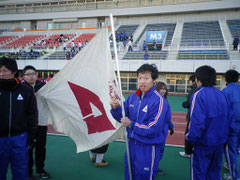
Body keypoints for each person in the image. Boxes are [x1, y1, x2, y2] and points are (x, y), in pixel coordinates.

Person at [110, 64, 171, 180]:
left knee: (143, 177)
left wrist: (131, 124)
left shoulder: (159, 101)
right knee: (129, 175)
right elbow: (122, 117)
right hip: (131, 145)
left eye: (146, 78)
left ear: (154, 80)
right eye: (140, 78)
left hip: (148, 147)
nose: (142, 81)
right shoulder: (133, 97)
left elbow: (153, 128)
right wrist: (115, 108)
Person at [186, 65, 233, 180]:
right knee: (214, 174)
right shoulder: (222, 95)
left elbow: (197, 123)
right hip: (219, 143)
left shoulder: (198, 95)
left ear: (197, 79)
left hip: (202, 144)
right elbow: (230, 120)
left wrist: (190, 142)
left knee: (199, 174)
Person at [0, 57, 37, 180]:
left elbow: (32, 114)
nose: (1, 74)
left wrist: (31, 137)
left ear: (14, 71)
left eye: (5, 71)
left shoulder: (26, 90)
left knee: (20, 171)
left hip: (19, 138)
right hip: (0, 139)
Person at [22, 65, 51, 179]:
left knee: (41, 148)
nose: (31, 76)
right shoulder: (20, 88)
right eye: (28, 74)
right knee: (28, 149)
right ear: (23, 76)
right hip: (27, 125)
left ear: (37, 75)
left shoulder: (43, 86)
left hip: (41, 123)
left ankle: (40, 169)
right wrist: (30, 97)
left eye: (33, 73)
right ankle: (28, 172)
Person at [222, 69, 240, 180]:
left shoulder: (225, 91)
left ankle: (234, 176)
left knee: (230, 150)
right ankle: (229, 165)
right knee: (236, 148)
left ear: (226, 79)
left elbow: (222, 111)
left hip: (232, 125)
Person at [155, 81, 174, 175]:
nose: (163, 90)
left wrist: (170, 127)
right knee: (157, 151)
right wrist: (171, 126)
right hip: (157, 131)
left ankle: (153, 166)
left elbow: (168, 117)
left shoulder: (165, 101)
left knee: (158, 150)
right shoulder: (160, 101)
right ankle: (153, 167)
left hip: (162, 130)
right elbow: (167, 118)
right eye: (161, 88)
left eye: (164, 89)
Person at [179, 75, 198, 158]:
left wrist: (185, 104)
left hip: (193, 116)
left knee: (188, 133)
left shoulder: (195, 90)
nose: (189, 82)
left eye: (190, 81)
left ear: (194, 81)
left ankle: (188, 152)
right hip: (196, 116)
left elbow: (191, 102)